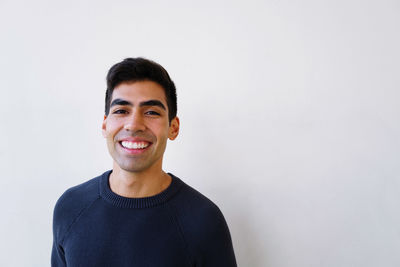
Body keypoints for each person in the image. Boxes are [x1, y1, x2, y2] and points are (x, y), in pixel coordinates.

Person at [51, 57, 237, 266]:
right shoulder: (71, 207)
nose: (133, 124)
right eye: (121, 111)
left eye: (151, 112)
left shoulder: (203, 220)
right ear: (105, 125)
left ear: (173, 128)